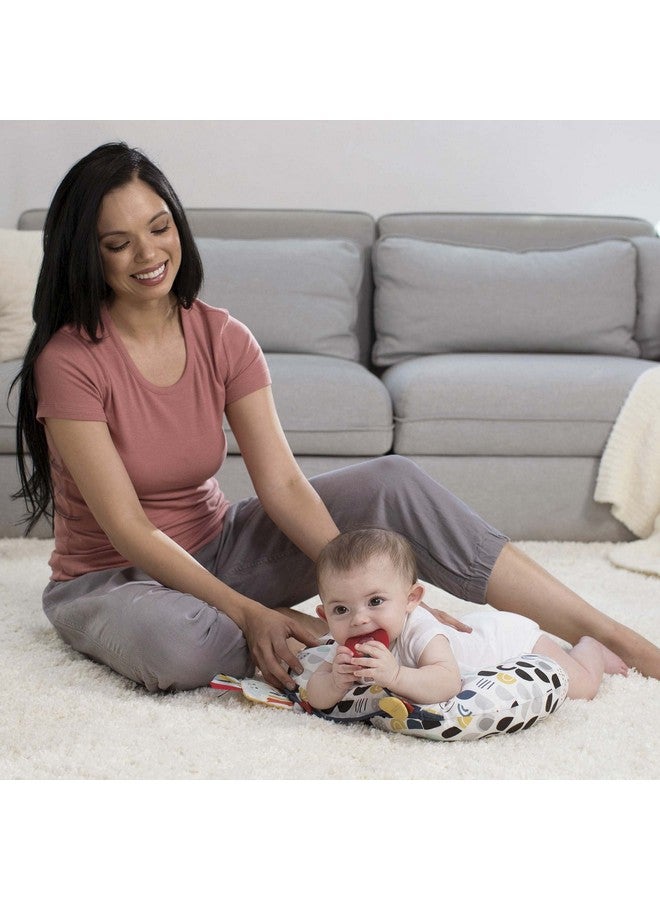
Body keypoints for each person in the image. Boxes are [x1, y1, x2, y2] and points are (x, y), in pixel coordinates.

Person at [11, 142, 660, 695]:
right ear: (87, 254)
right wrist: (254, 613)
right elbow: (127, 528)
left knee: (392, 483)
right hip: (116, 582)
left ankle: (607, 634)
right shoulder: (69, 360)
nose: (148, 253)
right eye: (118, 243)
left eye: (159, 228)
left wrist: (345, 581)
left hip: (222, 548)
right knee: (180, 648)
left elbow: (282, 485)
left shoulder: (222, 335)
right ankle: (308, 634)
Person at [306, 528, 629, 709]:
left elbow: (448, 683)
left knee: (583, 687)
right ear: (324, 615)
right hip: (476, 632)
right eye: (341, 610)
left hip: (509, 642)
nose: (359, 620)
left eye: (375, 601)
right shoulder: (345, 645)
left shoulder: (422, 631)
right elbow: (316, 695)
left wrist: (396, 676)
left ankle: (591, 648)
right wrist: (334, 682)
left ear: (412, 600)